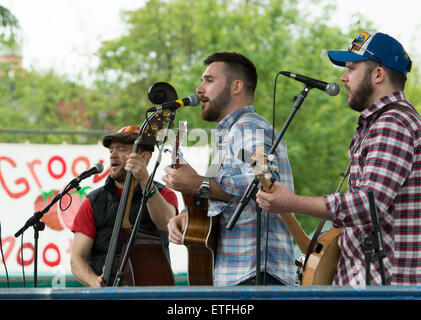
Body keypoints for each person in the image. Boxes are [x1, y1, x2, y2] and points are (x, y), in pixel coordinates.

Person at [256, 31, 421, 286]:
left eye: (352, 68)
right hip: (368, 279)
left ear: (378, 74)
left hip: (386, 284)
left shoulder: (393, 124)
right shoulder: (379, 123)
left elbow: (368, 204)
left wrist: (292, 202)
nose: (343, 77)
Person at [163, 52, 296, 286]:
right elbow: (227, 196)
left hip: (255, 274)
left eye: (209, 80)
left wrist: (195, 183)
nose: (199, 89)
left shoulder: (248, 128)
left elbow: (265, 185)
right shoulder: (230, 134)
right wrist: (190, 217)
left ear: (236, 86)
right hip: (241, 274)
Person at [70, 125, 178, 287]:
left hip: (152, 290)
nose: (113, 154)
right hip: (108, 292)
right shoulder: (93, 201)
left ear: (145, 157)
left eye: (121, 149)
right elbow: (76, 259)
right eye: (111, 150)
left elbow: (166, 224)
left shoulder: (164, 194)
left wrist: (144, 180)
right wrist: (96, 283)